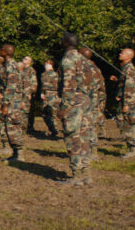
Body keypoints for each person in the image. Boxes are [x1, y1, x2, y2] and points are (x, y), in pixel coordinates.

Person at [58, 33, 95, 185]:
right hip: (86, 100)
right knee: (85, 137)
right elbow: (91, 80)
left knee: (72, 137)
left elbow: (68, 85)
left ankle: (76, 175)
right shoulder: (83, 59)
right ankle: (86, 173)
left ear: (66, 43)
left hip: (74, 101)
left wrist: (65, 106)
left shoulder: (68, 59)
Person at [111, 48, 135, 158]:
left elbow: (130, 87)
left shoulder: (129, 69)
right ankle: (132, 148)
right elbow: (125, 84)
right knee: (126, 124)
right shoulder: (125, 68)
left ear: (128, 56)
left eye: (122, 53)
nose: (120, 54)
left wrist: (127, 104)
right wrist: (117, 81)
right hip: (129, 100)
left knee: (130, 125)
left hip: (131, 101)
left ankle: (134, 150)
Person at [0, 44, 26, 161]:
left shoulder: (11, 66)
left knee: (13, 127)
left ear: (6, 52)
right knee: (10, 127)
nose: (0, 51)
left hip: (13, 102)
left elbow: (11, 87)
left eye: (2, 49)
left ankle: (19, 154)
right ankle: (16, 153)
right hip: (12, 101)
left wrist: (5, 104)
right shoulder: (8, 65)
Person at [81, 47, 106, 158]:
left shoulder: (81, 67)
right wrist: (101, 103)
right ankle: (93, 151)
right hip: (94, 100)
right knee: (91, 125)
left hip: (84, 100)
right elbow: (102, 87)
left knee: (84, 125)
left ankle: (87, 151)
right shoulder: (96, 68)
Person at [40, 59, 61, 137]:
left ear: (49, 64)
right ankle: (53, 129)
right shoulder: (44, 74)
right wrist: (42, 93)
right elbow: (42, 86)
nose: (45, 66)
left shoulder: (54, 74)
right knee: (48, 113)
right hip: (48, 95)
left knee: (51, 113)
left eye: (46, 64)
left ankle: (54, 130)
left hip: (52, 94)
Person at [21, 56, 38, 133]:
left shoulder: (31, 70)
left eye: (27, 60)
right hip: (20, 93)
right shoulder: (20, 69)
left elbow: (34, 83)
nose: (25, 61)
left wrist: (30, 93)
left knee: (26, 112)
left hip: (27, 94)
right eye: (24, 59)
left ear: (30, 62)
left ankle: (26, 128)